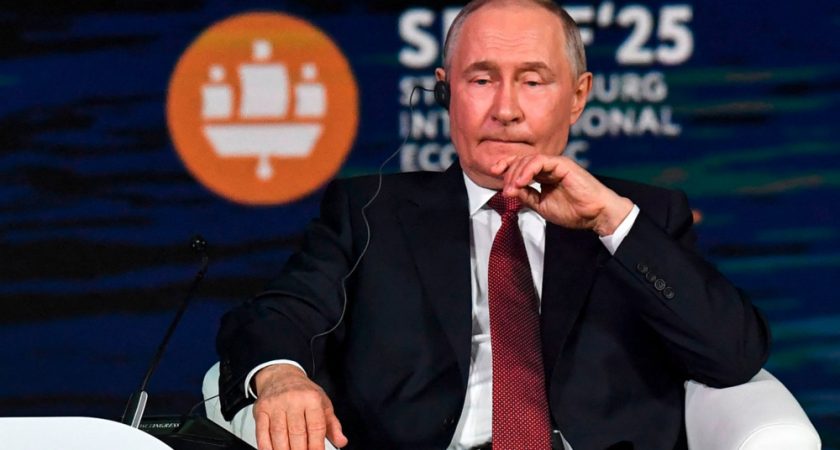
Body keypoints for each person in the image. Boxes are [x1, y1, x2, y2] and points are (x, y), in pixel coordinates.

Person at [216, 1, 771, 449]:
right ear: (445, 91)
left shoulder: (641, 216)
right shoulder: (370, 212)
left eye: (533, 82)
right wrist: (282, 376)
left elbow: (734, 354)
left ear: (578, 97)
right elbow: (276, 315)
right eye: (481, 80)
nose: (506, 110)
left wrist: (611, 221)